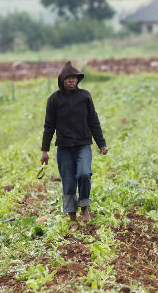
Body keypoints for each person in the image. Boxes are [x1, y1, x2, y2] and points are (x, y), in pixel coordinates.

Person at [40, 61, 107, 229]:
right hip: (64, 148)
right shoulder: (54, 100)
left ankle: (84, 206)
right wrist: (44, 150)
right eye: (68, 78)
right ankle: (72, 220)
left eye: (74, 78)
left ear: (78, 80)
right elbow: (49, 126)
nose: (71, 81)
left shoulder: (85, 96)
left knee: (85, 173)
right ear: (62, 80)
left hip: (83, 144)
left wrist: (101, 144)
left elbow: (93, 121)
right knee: (68, 183)